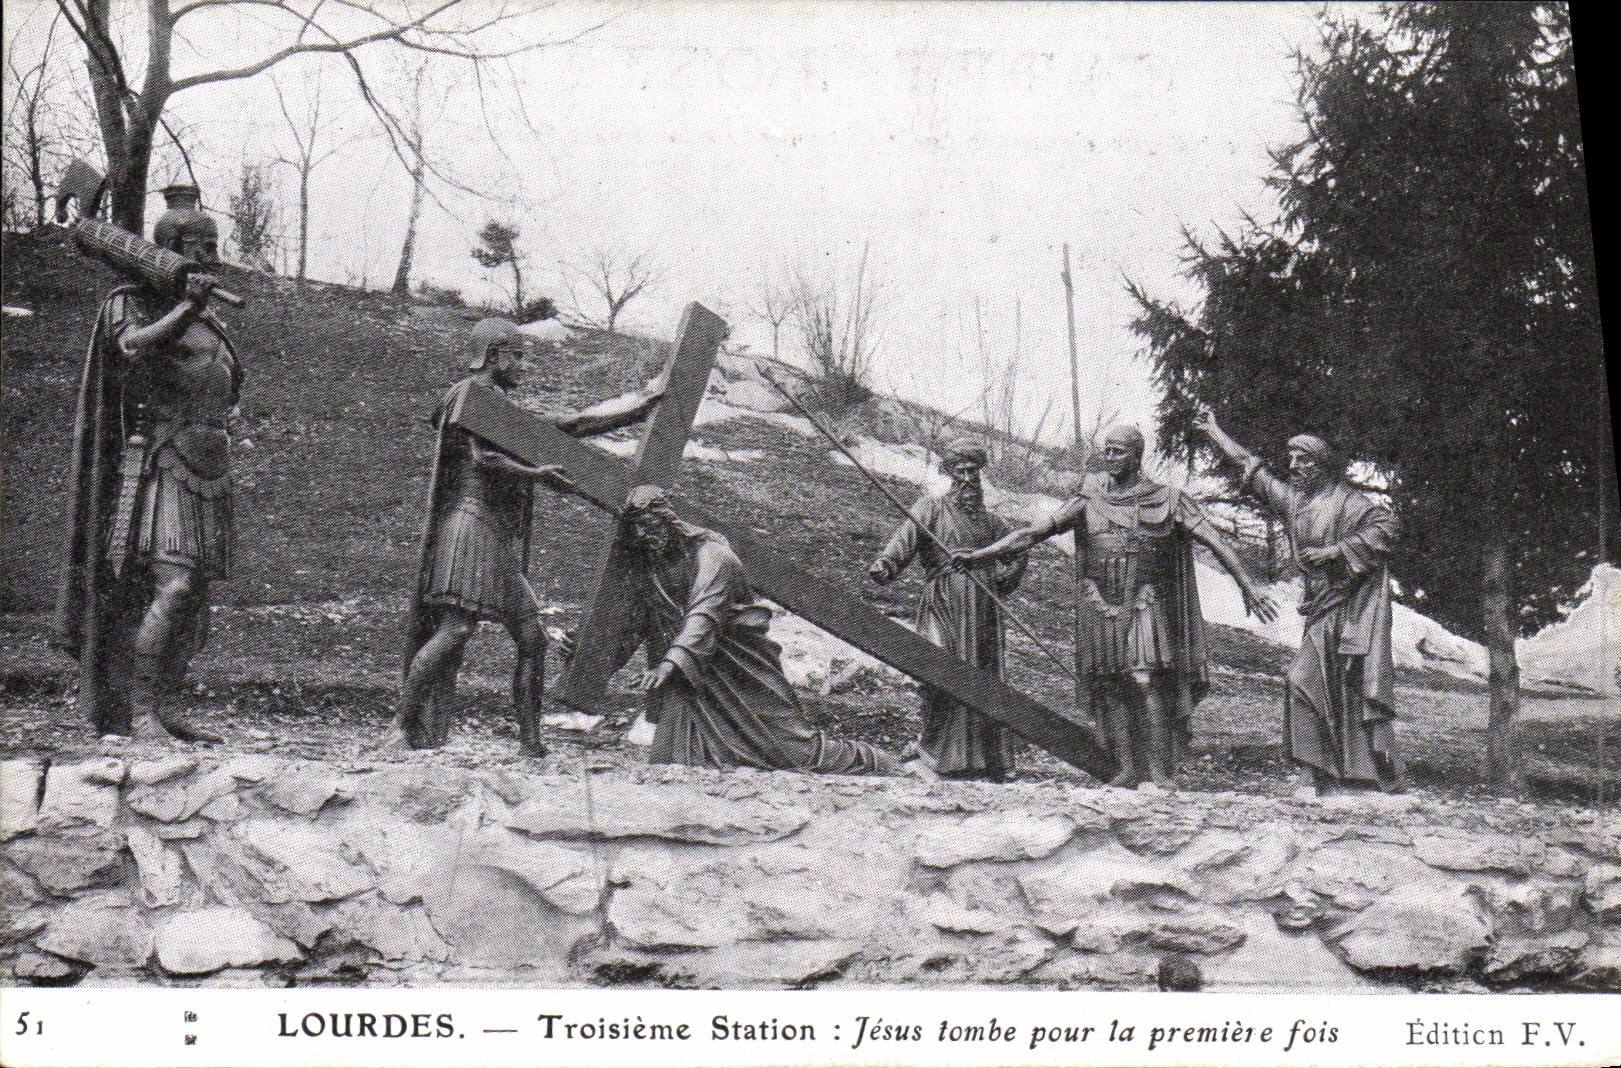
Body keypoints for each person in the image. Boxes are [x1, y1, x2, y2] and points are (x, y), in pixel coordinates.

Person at [390, 318, 664, 755]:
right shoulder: (470, 395)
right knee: (456, 629)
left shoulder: (496, 403)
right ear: (494, 354)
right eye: (516, 355)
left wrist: (641, 408)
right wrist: (535, 474)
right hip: (468, 523)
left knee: (531, 637)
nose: (523, 365)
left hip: (491, 532)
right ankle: (401, 727)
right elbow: (482, 459)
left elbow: (569, 425)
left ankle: (531, 742)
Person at [954, 426, 1277, 789]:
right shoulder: (1089, 497)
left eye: (1117, 451)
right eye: (1105, 450)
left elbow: (1215, 541)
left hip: (1144, 601)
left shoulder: (1169, 499)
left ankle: (1159, 772)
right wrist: (982, 555)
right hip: (1098, 601)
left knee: (1145, 681)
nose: (1108, 458)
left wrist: (1249, 588)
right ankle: (1125, 769)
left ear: (1136, 456)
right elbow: (1032, 533)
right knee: (1109, 685)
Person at [57, 184, 241, 743]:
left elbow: (223, 388)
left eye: (213, 243)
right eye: (198, 244)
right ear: (170, 247)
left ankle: (166, 704)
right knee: (172, 586)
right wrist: (187, 305)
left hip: (207, 465)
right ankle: (135, 712)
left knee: (196, 598)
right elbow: (134, 347)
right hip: (158, 465)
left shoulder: (213, 322)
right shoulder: (128, 301)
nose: (210, 254)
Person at [583, 484, 904, 774]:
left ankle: (879, 762)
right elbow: (639, 621)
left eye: (648, 525)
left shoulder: (714, 557)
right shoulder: (653, 566)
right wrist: (594, 657)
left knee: (793, 751)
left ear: (666, 520)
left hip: (737, 668)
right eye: (635, 528)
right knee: (677, 762)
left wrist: (670, 662)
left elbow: (704, 615)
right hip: (692, 674)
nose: (642, 535)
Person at [1195, 405, 1404, 794]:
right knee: (1306, 681)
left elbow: (1388, 528)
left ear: (1321, 465)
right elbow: (1252, 470)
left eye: (1301, 460)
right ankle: (1316, 771)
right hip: (1321, 610)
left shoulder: (1351, 503)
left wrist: (1336, 551)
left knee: (1345, 686)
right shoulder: (1295, 503)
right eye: (1290, 459)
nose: (1292, 466)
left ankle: (1358, 774)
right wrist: (1214, 432)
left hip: (1353, 609)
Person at [869, 438, 1026, 780]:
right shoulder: (932, 509)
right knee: (938, 671)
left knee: (983, 677)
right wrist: (887, 563)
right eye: (961, 471)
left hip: (983, 608)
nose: (969, 479)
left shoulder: (992, 523)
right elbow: (905, 539)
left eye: (974, 471)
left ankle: (986, 761)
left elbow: (1018, 549)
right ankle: (934, 749)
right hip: (944, 602)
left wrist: (1003, 577)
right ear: (950, 473)